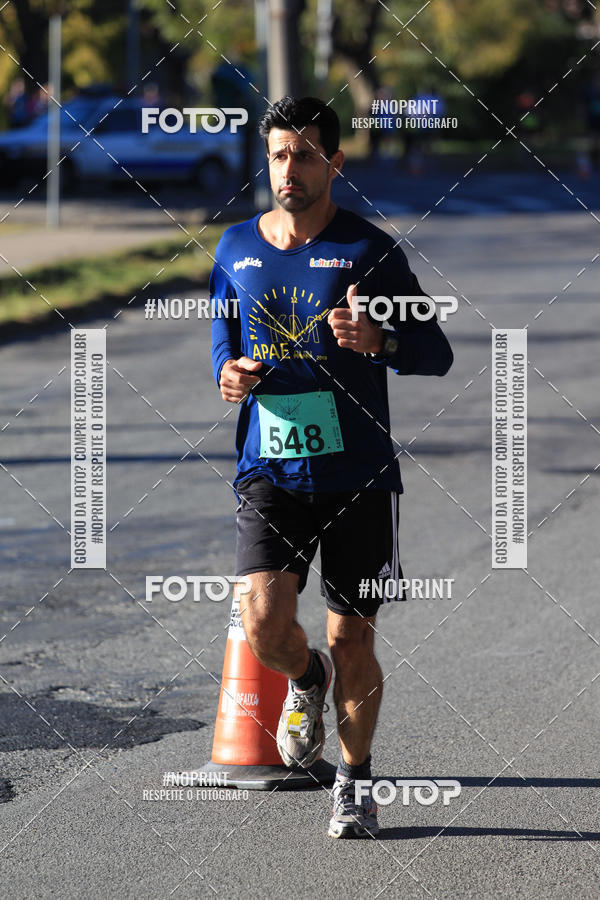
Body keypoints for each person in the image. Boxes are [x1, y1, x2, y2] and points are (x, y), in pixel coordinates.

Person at [210, 96, 453, 838]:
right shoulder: (234, 248)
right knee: (263, 623)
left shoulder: (369, 252)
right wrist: (229, 373)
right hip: (270, 469)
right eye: (280, 153)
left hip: (359, 477)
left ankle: (355, 782)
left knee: (355, 637)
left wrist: (380, 341)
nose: (291, 167)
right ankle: (306, 679)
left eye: (306, 153)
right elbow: (222, 339)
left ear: (334, 163)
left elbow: (434, 354)